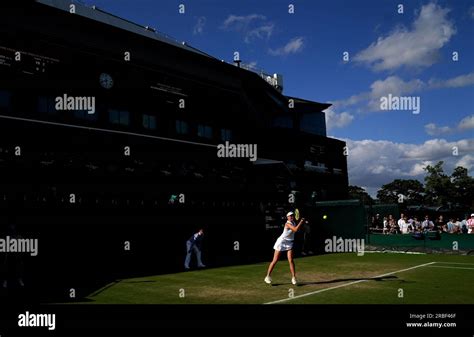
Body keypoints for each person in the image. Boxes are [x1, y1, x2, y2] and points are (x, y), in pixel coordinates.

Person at [264, 212, 306, 285]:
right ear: (287, 217)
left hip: (289, 242)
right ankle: (267, 276)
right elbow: (295, 230)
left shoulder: (293, 222)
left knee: (291, 260)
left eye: (292, 215)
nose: (291, 216)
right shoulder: (287, 224)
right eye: (290, 216)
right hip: (281, 242)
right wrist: (301, 222)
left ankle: (293, 278)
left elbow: (296, 230)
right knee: (275, 260)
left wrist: (300, 224)